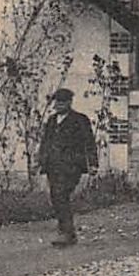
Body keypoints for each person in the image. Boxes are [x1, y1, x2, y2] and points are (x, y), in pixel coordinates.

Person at [37, 88, 98, 248]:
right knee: (56, 198)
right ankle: (67, 232)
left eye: (62, 102)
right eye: (57, 102)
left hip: (72, 166)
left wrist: (92, 164)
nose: (58, 105)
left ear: (70, 102)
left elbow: (89, 143)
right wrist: (41, 162)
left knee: (61, 194)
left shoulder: (79, 120)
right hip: (53, 166)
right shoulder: (51, 120)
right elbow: (45, 143)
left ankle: (65, 232)